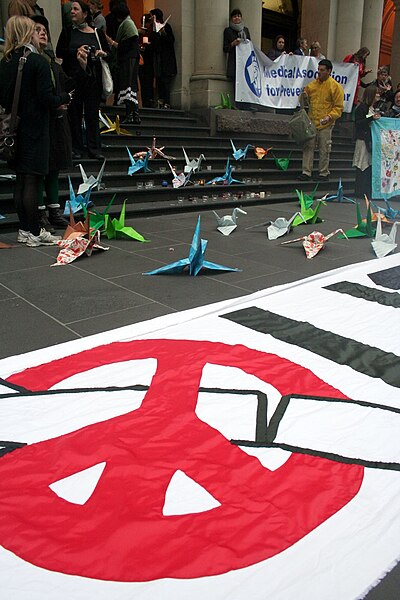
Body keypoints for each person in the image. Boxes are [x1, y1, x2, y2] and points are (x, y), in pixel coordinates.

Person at [0, 16, 70, 246]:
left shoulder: (6, 62)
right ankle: (35, 231)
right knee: (31, 180)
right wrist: (65, 97)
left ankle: (24, 229)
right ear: (26, 33)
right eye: (33, 30)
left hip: (13, 130)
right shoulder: (37, 62)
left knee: (21, 180)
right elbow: (47, 98)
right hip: (36, 128)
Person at [31, 15, 71, 231]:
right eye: (38, 29)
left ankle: (54, 211)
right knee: (41, 168)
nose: (43, 32)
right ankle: (39, 213)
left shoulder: (52, 61)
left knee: (54, 166)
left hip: (56, 122)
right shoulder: (30, 59)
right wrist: (59, 100)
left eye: (45, 29)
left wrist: (82, 65)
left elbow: (68, 82)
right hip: (40, 120)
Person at [56, 0, 110, 160]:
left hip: (93, 79)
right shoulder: (67, 32)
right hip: (73, 79)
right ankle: (76, 148)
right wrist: (76, 52)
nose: (72, 12)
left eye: (75, 9)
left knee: (93, 113)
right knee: (74, 113)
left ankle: (94, 148)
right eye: (71, 9)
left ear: (85, 14)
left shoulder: (97, 33)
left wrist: (101, 53)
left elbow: (109, 54)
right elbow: (60, 52)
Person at [297, 59, 344, 182]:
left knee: (324, 149)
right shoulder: (311, 86)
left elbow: (338, 107)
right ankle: (306, 172)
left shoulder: (335, 87)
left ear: (329, 71)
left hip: (326, 124)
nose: (319, 72)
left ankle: (323, 172)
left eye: (322, 70)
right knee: (308, 147)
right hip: (312, 122)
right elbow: (303, 102)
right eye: (318, 70)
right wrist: (303, 96)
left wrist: (329, 117)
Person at [108, 2, 140, 124]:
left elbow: (125, 45)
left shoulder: (127, 24)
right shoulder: (129, 23)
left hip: (128, 59)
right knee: (130, 87)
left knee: (128, 86)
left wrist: (112, 42)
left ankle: (131, 114)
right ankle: (134, 114)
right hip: (131, 58)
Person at [352, 86, 381, 199]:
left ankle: (366, 190)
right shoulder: (362, 108)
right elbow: (358, 123)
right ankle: (360, 190)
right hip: (362, 140)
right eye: (376, 93)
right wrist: (371, 118)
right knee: (362, 164)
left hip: (370, 140)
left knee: (368, 165)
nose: (378, 95)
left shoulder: (373, 108)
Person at [149, 8, 177, 109]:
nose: (150, 18)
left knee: (165, 81)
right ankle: (160, 101)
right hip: (157, 58)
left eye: (151, 15)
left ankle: (167, 102)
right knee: (159, 80)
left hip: (165, 59)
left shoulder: (166, 26)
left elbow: (171, 40)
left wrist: (163, 33)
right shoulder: (152, 28)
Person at [223, 8, 251, 109]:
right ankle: (238, 105)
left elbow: (250, 45)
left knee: (246, 83)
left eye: (239, 16)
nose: (237, 18)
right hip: (235, 62)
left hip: (245, 62)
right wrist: (233, 44)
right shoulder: (228, 31)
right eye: (235, 16)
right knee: (237, 84)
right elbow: (225, 48)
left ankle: (247, 105)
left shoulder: (246, 30)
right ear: (231, 19)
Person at [139, 13, 154, 108]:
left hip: (149, 60)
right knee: (143, 82)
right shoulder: (142, 33)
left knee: (148, 82)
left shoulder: (152, 33)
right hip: (143, 60)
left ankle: (148, 100)